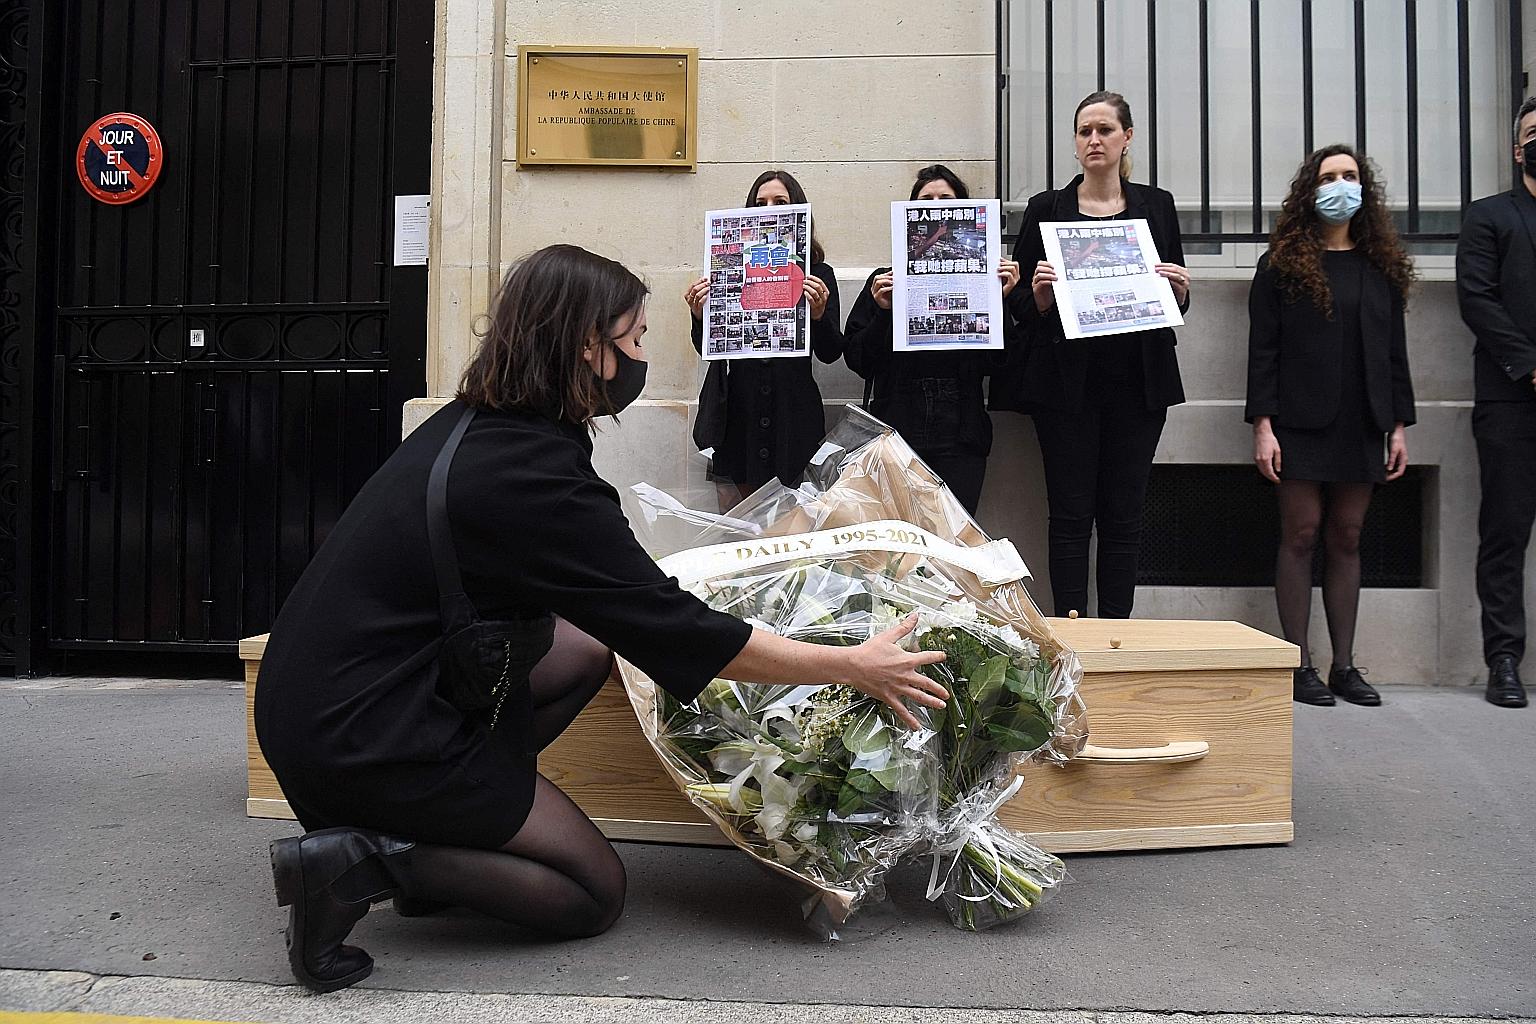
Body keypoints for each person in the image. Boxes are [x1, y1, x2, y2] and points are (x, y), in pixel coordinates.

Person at [254, 245, 949, 993]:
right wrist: (847, 663)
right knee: (591, 892)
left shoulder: (493, 425)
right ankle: (362, 861)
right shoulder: (529, 474)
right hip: (363, 732)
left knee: (586, 648)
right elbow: (667, 628)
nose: (644, 354)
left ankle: (447, 835)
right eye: (637, 337)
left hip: (335, 695)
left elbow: (612, 598)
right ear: (588, 345)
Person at [994, 91, 1190, 619]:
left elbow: (1175, 294)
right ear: (1075, 142)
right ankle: (1073, 635)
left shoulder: (1157, 206)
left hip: (1139, 383)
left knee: (1124, 517)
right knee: (1070, 515)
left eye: (1105, 129)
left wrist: (1180, 291)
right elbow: (1016, 305)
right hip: (1066, 386)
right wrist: (1035, 298)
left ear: (1127, 138)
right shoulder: (1046, 209)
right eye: (1084, 131)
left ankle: (1116, 637)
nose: (1094, 140)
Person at [1246, 145, 1416, 707]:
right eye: (1328, 177)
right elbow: (1263, 351)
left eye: (1349, 176)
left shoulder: (1380, 266)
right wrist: (1263, 426)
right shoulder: (1281, 264)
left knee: (1347, 537)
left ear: (1364, 188)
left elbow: (1396, 353)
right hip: (1297, 423)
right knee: (1300, 535)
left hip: (1364, 420)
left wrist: (1398, 426)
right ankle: (1300, 664)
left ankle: (1345, 665)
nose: (1339, 186)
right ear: (1308, 191)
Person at [843, 164, 1022, 515]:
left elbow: (1006, 364)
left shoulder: (985, 282)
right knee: (899, 544)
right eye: (926, 200)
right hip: (898, 428)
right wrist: (882, 312)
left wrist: (1000, 302)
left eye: (946, 199)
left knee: (956, 544)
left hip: (960, 431)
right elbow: (857, 359)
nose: (937, 206)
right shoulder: (886, 281)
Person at [684, 170, 842, 507]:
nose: (769, 209)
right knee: (739, 523)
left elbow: (831, 352)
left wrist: (817, 315)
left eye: (780, 202)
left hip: (792, 412)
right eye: (760, 203)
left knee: (795, 522)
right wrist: (700, 315)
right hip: (741, 410)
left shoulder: (819, 273)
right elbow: (709, 348)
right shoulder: (728, 268)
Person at [1456, 95, 1536, 709]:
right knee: (1505, 532)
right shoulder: (1490, 217)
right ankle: (1504, 659)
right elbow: (1477, 298)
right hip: (1511, 400)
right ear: (1517, 150)